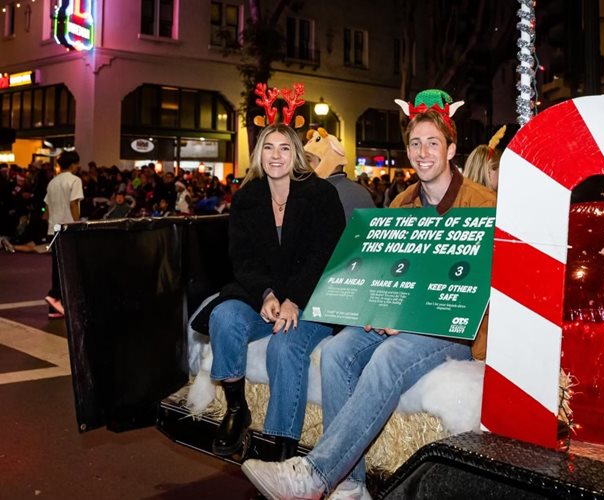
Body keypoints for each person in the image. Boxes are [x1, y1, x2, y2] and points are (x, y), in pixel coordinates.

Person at [242, 97, 496, 499]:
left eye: (433, 143)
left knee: (387, 358)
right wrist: (377, 307)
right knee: (339, 350)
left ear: (450, 150)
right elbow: (387, 270)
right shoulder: (400, 202)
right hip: (397, 319)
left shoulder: (484, 204)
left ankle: (317, 474)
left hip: (452, 328)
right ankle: (351, 485)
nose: (423, 152)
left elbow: (483, 288)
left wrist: (409, 316)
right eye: (416, 143)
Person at [190, 123, 345, 459]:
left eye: (285, 148)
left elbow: (326, 254)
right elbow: (241, 258)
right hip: (265, 295)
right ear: (259, 154)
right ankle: (236, 408)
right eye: (269, 148)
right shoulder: (247, 198)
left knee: (284, 345)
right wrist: (266, 294)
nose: (276, 156)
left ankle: (281, 449)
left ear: (297, 154)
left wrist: (294, 299)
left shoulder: (321, 195)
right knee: (224, 316)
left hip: (312, 297)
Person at [43, 151, 83, 319]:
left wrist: (50, 222)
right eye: (77, 163)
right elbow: (74, 203)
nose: (79, 166)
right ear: (73, 164)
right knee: (68, 267)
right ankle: (55, 295)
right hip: (68, 228)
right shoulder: (75, 180)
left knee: (57, 266)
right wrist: (77, 223)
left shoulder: (53, 182)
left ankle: (55, 307)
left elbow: (47, 206)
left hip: (54, 228)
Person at [304, 128, 375, 222]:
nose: (303, 165)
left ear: (327, 162)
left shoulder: (321, 194)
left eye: (308, 160)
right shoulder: (361, 191)